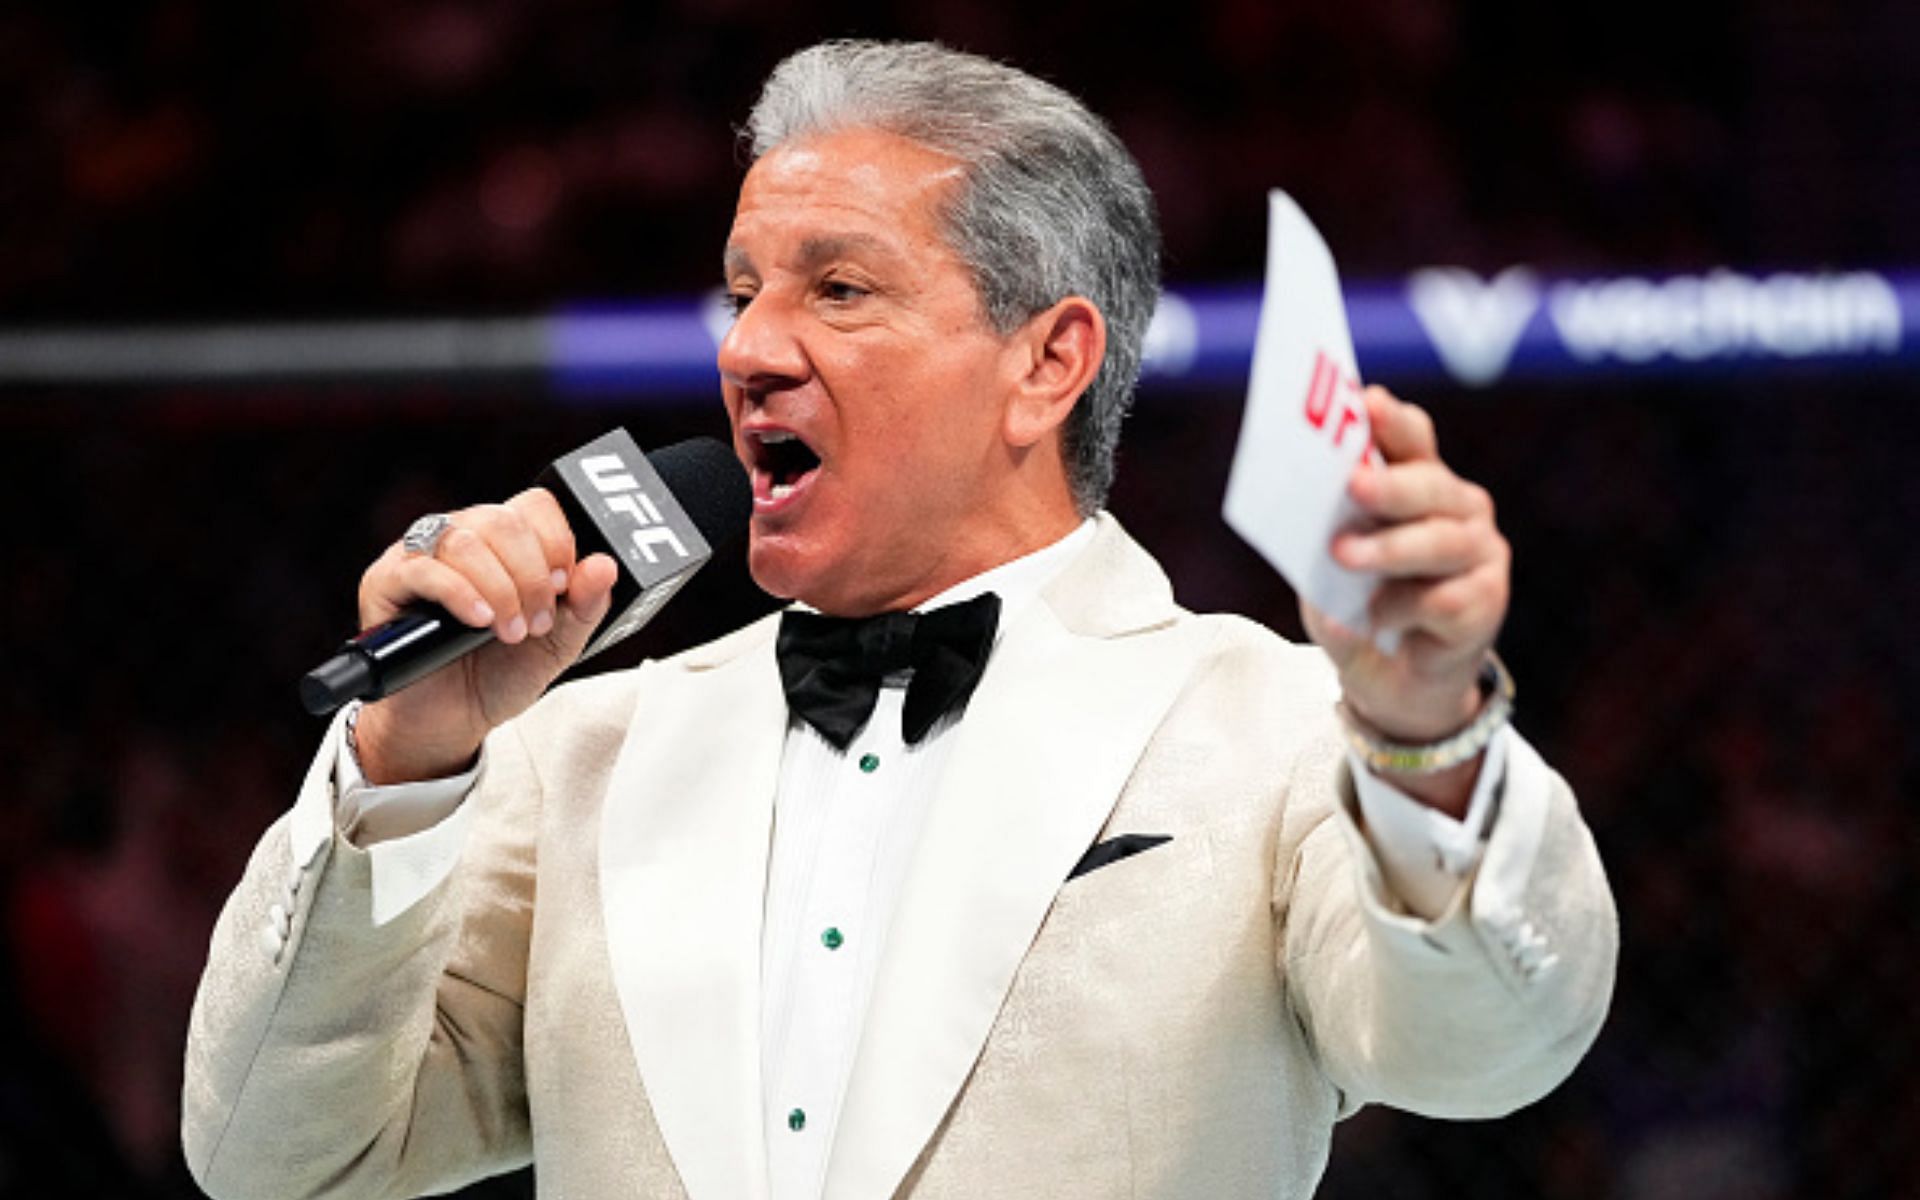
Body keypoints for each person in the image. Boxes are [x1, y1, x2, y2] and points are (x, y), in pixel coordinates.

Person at [183, 38, 1616, 1200]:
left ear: (1047, 360)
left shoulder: (1267, 724)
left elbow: (1486, 1052)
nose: (747, 349)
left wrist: (1428, 738)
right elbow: (277, 1158)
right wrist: (407, 758)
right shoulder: (585, 754)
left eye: (839, 288)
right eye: (742, 293)